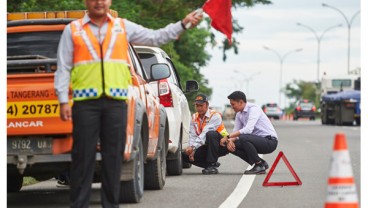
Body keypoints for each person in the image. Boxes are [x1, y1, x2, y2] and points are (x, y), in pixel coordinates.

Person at [54, 0, 203, 207]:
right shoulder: (74, 30)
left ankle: (111, 205)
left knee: (113, 158)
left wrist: (183, 24)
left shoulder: (121, 27)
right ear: (86, 1)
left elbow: (156, 36)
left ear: (110, 2)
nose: (99, 2)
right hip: (85, 104)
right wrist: (63, 100)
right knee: (83, 158)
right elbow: (63, 68)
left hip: (116, 104)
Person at [220, 91, 278, 175]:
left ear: (240, 102)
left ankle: (259, 166)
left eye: (233, 104)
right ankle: (261, 162)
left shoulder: (254, 109)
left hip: (269, 141)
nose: (232, 107)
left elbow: (248, 130)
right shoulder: (239, 114)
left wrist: (228, 136)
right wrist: (229, 141)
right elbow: (236, 131)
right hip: (254, 141)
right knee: (229, 145)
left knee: (243, 137)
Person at [182, 94, 229, 175]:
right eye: (197, 105)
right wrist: (191, 150)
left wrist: (193, 147)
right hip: (205, 145)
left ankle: (211, 164)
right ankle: (210, 165)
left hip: (221, 145)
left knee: (210, 134)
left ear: (207, 105)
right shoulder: (194, 117)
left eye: (201, 105)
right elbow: (193, 135)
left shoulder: (215, 115)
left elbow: (205, 133)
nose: (199, 108)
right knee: (184, 155)